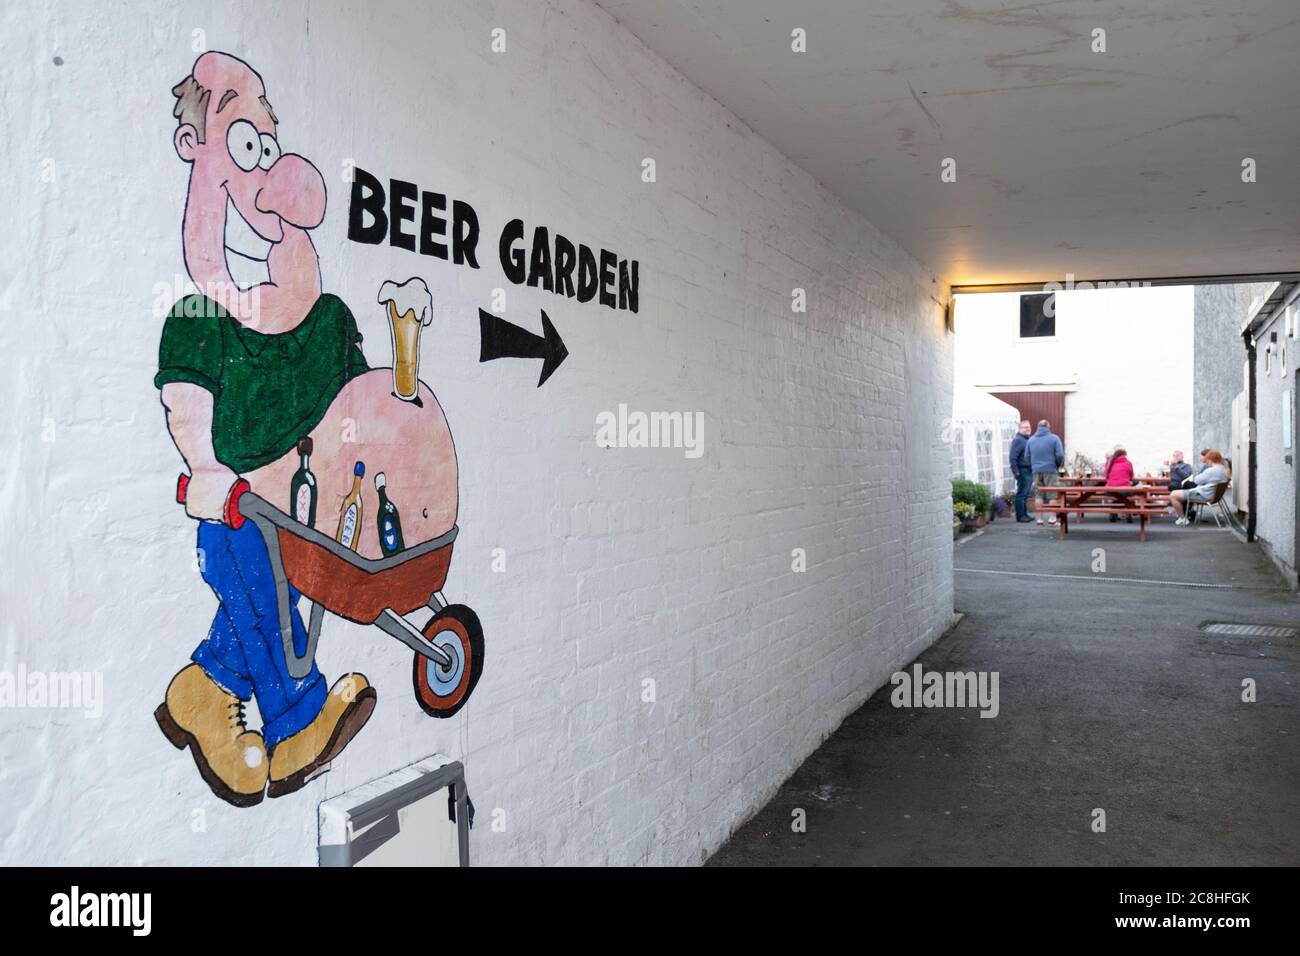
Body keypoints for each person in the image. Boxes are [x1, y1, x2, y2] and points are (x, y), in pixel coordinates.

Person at [154, 53, 376, 806]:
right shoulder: (199, 321)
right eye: (245, 144)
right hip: (239, 512)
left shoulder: (326, 321)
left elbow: (361, 405)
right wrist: (206, 469)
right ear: (199, 154)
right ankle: (296, 718)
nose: (262, 175)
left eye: (268, 146)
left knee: (263, 597)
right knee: (256, 569)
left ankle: (206, 687)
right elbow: (188, 409)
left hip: (310, 513)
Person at [1170, 450, 1230, 526]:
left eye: (1207, 459)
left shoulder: (1211, 471)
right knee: (1181, 490)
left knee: (1173, 494)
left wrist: (1201, 474)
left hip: (1203, 495)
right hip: (1211, 495)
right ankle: (1185, 515)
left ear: (1210, 459)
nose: (1207, 461)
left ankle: (1183, 518)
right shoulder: (1223, 469)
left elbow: (1197, 480)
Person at [1027, 419, 1065, 526]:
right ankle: (1052, 519)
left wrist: (1033, 466)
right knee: (1052, 495)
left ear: (1038, 427)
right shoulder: (1054, 438)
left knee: (1038, 495)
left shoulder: (1031, 440)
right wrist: (1056, 465)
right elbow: (1060, 455)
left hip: (1036, 471)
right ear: (1048, 427)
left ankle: (1039, 520)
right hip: (1051, 470)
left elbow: (1027, 456)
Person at [1008, 420, 1034, 523]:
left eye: (1029, 427)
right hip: (1023, 471)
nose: (1028, 429)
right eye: (1025, 427)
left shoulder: (1026, 440)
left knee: (1025, 494)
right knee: (1021, 494)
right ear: (1020, 429)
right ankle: (1020, 517)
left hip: (1028, 470)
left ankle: (1025, 515)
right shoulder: (1018, 440)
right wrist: (1016, 472)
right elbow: (1012, 457)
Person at [1104, 445, 1135, 523]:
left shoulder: (1111, 463)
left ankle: (1113, 513)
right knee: (1130, 491)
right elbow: (1131, 477)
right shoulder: (1128, 463)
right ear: (1124, 455)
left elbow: (1106, 476)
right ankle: (1128, 512)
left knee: (1117, 495)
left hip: (1110, 491)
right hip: (1124, 490)